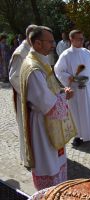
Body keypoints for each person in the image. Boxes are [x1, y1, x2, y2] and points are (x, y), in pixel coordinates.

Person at [20, 26, 76, 190]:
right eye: (50, 41)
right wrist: (64, 96)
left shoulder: (40, 61)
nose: (53, 45)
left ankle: (57, 189)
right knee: (49, 163)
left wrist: (60, 91)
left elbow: (49, 90)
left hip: (49, 120)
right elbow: (45, 103)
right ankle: (50, 192)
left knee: (55, 160)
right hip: (42, 123)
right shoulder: (34, 68)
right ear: (37, 43)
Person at [54, 30, 90, 146]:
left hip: (88, 87)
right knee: (76, 112)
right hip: (75, 89)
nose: (82, 41)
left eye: (82, 38)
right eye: (79, 39)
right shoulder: (66, 54)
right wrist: (69, 77)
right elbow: (58, 70)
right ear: (71, 39)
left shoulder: (87, 52)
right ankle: (77, 136)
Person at [9, 24, 37, 165]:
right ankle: (28, 159)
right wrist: (28, 94)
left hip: (36, 97)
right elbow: (13, 77)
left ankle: (38, 155)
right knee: (26, 128)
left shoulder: (33, 49)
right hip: (25, 98)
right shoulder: (20, 52)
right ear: (28, 36)